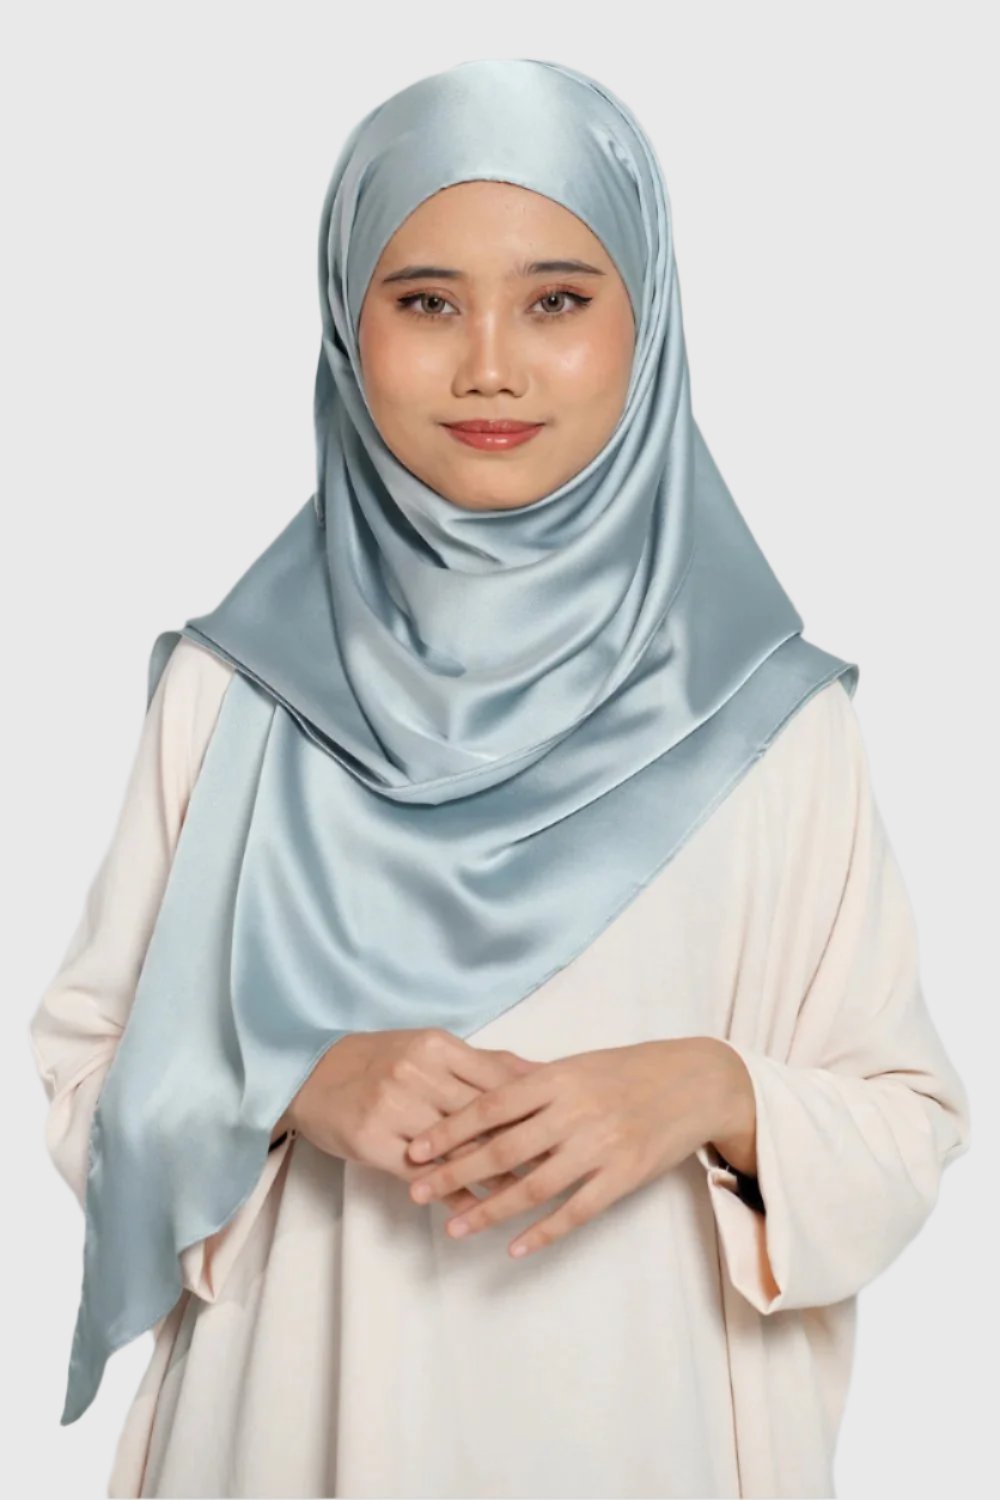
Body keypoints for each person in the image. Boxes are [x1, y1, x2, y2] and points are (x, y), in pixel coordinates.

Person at [29, 57, 970, 1500]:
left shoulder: (769, 721)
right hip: (291, 1438)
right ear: (345, 320)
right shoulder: (240, 696)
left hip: (639, 1439)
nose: (490, 365)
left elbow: (905, 1122)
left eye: (556, 301)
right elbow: (89, 1071)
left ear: (647, 322)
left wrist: (705, 1090)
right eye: (425, 302)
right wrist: (293, 1082)